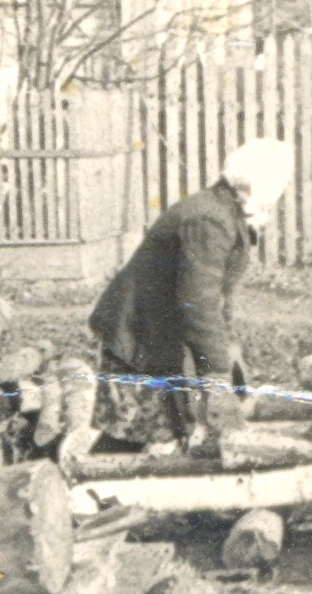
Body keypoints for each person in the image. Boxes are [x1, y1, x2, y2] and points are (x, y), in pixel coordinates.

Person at [88, 139, 295, 453]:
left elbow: (217, 294)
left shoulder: (223, 212)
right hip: (137, 334)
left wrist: (224, 350)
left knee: (152, 429)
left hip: (155, 333)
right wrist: (216, 370)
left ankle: (102, 489)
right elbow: (198, 301)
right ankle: (85, 493)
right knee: (132, 432)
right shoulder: (210, 220)